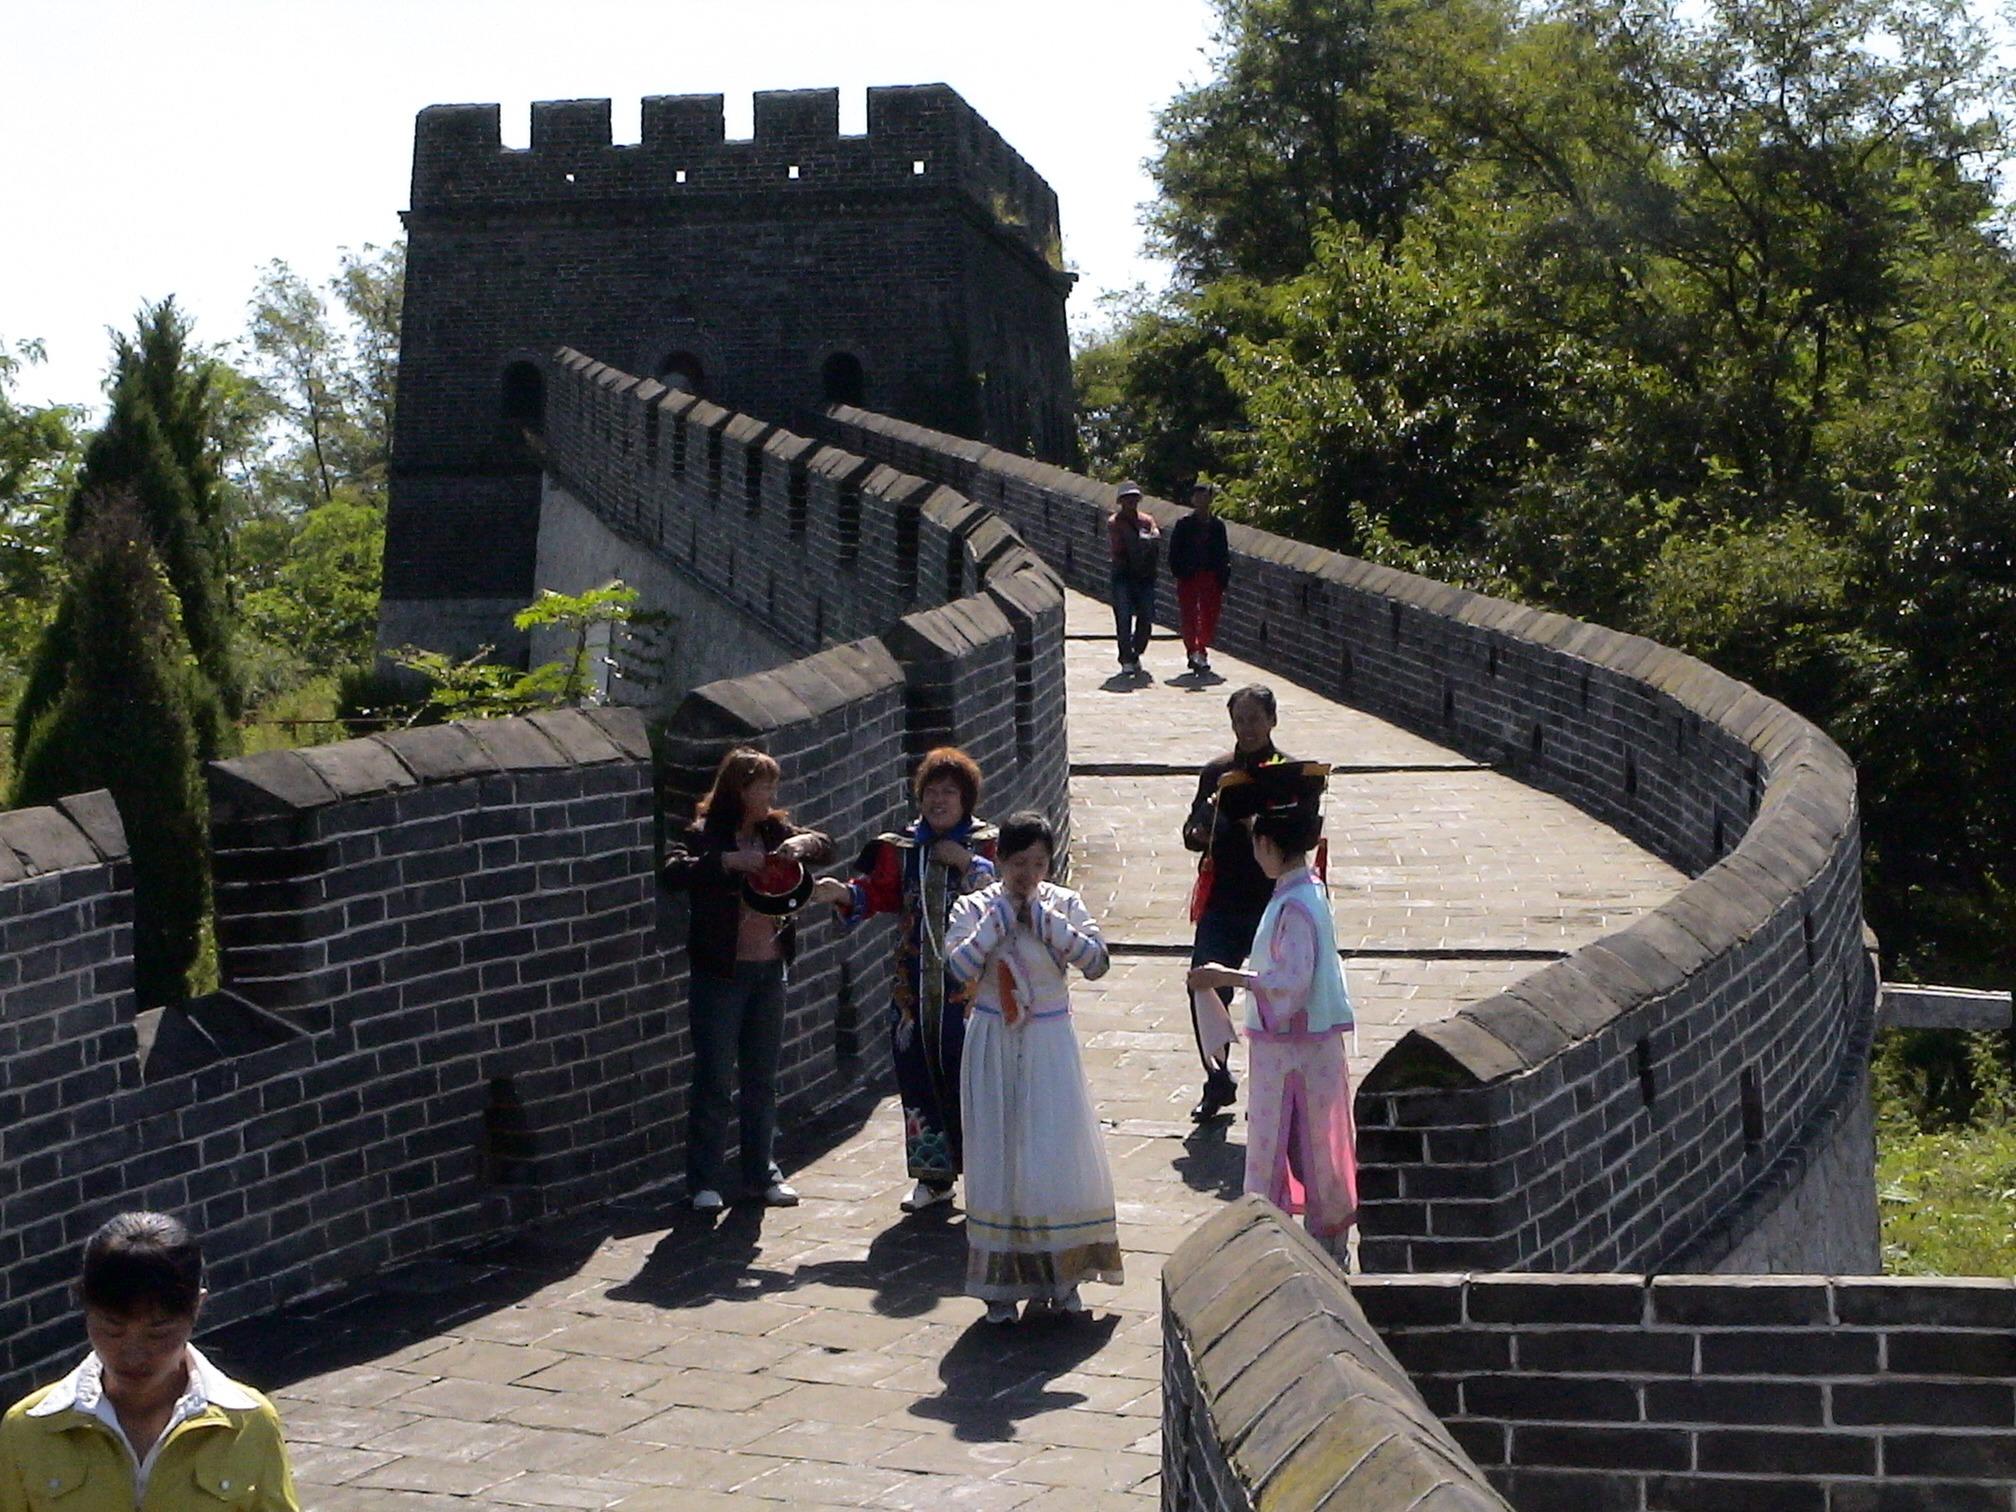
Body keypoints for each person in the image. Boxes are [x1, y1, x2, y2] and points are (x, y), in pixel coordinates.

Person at [944, 811, 1123, 1324]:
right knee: (999, 1153)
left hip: (1048, 1041)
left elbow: (1096, 962)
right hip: (992, 1038)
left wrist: (1048, 925)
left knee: (1051, 1151)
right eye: (1019, 862)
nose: (1028, 873)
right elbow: (955, 969)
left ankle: (1061, 1277)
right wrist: (994, 925)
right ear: (999, 859)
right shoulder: (974, 905)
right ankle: (1000, 1287)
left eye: (1039, 863)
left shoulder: (1063, 903)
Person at [0, 1211, 301, 1511]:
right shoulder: (29, 1428)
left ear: (197, 1307)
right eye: (112, 1329)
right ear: (85, 1307)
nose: (133, 1355)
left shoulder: (249, 1423)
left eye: (158, 1332)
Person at [811, 748, 996, 1212]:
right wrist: (844, 894)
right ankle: (934, 1178)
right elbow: (879, 894)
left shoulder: (988, 842)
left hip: (972, 988)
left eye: (948, 792)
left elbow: (1010, 890)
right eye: (930, 792)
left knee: (974, 1074)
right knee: (916, 1074)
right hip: (912, 986)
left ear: (965, 798)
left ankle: (991, 1178)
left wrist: (967, 865)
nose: (938, 801)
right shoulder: (901, 848)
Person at [1188, 767, 1358, 1257]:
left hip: (1293, 1049)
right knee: (1312, 1143)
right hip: (1302, 1046)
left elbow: (1290, 984)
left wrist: (1226, 977)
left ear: (1267, 845)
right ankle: (1316, 1238)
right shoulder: (1307, 892)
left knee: (1295, 1143)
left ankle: (1300, 1242)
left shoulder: (1296, 904)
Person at [663, 747, 835, 1213]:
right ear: (740, 789)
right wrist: (726, 863)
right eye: (764, 788)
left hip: (769, 968)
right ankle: (703, 1180)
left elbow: (825, 844)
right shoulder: (703, 835)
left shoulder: (774, 831)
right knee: (715, 1079)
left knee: (762, 1079)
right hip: (721, 972)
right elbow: (673, 871)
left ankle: (762, 1174)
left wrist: (805, 846)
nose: (770, 797)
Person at [1182, 684, 1295, 1122]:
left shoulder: (1290, 772)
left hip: (1273, 899)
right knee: (1204, 986)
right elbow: (1192, 833)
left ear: (1272, 720)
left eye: (1254, 718)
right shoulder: (1217, 773)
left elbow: (1300, 834)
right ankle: (1217, 1078)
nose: (1246, 728)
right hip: (1225, 897)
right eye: (1239, 719)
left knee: (1278, 992)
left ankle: (1277, 1083)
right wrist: (1204, 827)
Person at [1169, 480, 1231, 677]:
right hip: (1189, 576)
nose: (1201, 500)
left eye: (1205, 496)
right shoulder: (1184, 525)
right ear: (1192, 500)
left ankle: (1201, 646)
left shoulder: (1217, 526)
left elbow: (1223, 553)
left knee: (1209, 615)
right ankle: (1194, 650)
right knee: (1189, 614)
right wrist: (1180, 571)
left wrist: (1223, 577)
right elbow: (1174, 552)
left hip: (1211, 576)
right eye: (1198, 496)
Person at [1107, 480, 1161, 675]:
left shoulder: (1146, 520)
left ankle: (1137, 650)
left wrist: (1150, 537)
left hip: (1144, 575)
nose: (1131, 502)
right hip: (1123, 573)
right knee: (1123, 616)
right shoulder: (1115, 522)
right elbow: (1119, 549)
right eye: (1127, 498)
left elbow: (1156, 535)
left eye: (1134, 498)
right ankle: (1126, 657)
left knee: (1146, 615)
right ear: (1121, 501)